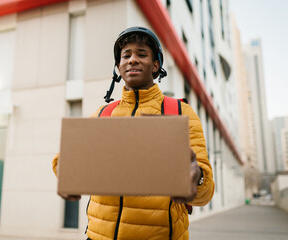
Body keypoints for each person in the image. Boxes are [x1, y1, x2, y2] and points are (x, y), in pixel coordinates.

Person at [52, 26, 214, 240]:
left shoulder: (180, 112)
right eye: (126, 55)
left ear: (156, 66)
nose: (132, 60)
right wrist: (66, 171)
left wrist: (197, 178)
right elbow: (67, 161)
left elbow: (205, 191)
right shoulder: (103, 114)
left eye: (142, 54)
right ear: (118, 67)